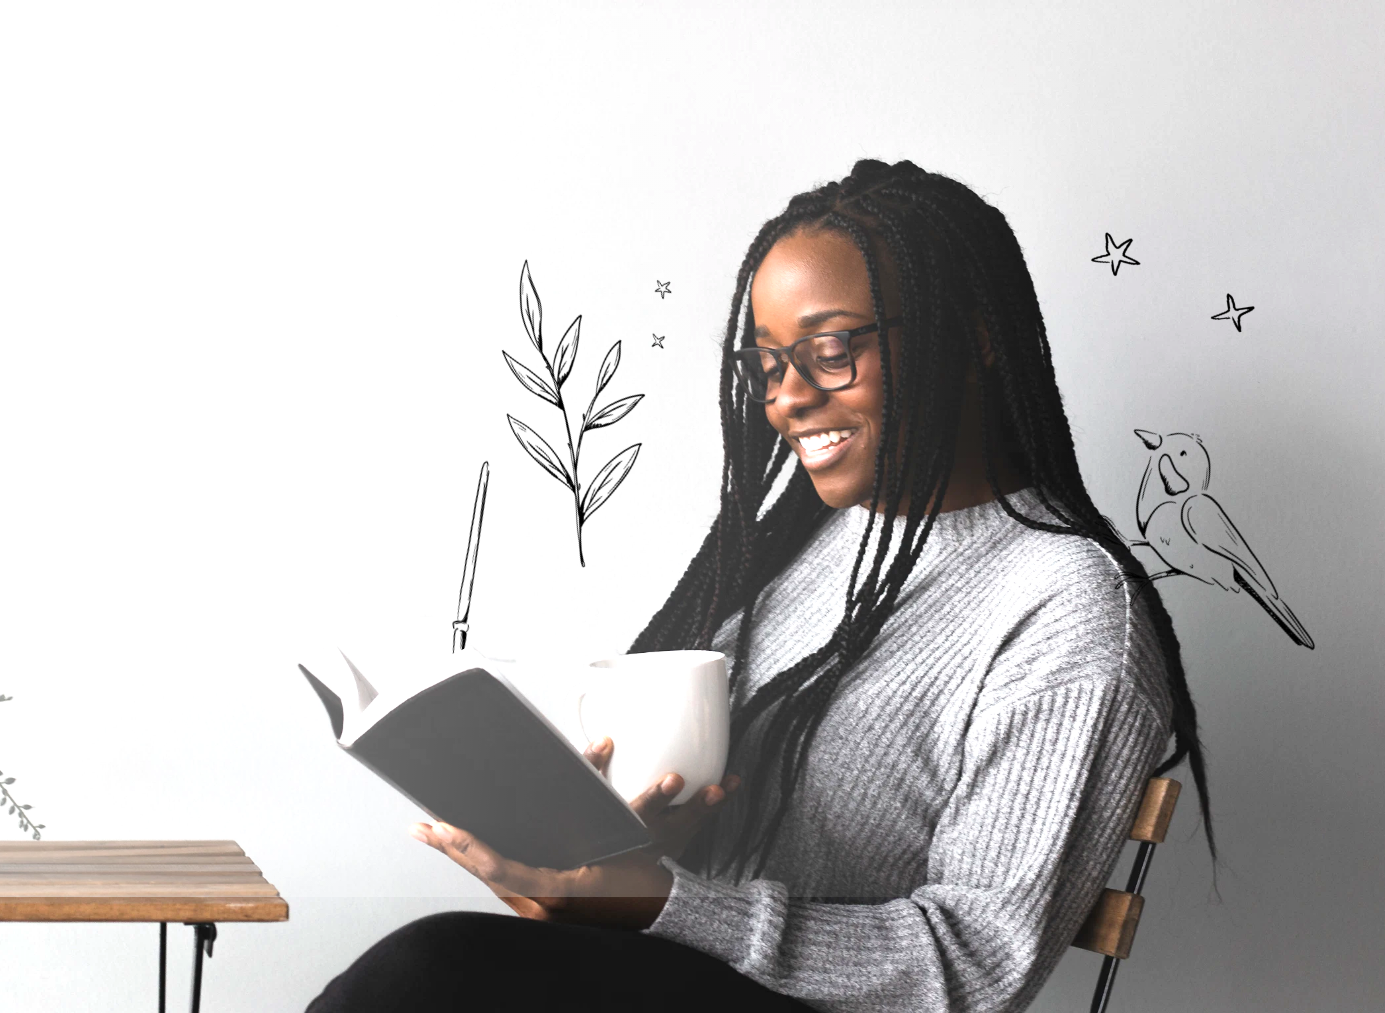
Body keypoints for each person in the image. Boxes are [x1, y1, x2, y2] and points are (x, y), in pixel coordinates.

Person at [305, 159, 1214, 1013]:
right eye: (768, 364)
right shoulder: (808, 548)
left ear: (971, 336)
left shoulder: (1068, 610)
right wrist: (610, 861)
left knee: (429, 975)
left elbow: (974, 966)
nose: (784, 398)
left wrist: (664, 901)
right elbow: (712, 853)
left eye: (828, 348)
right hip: (691, 980)